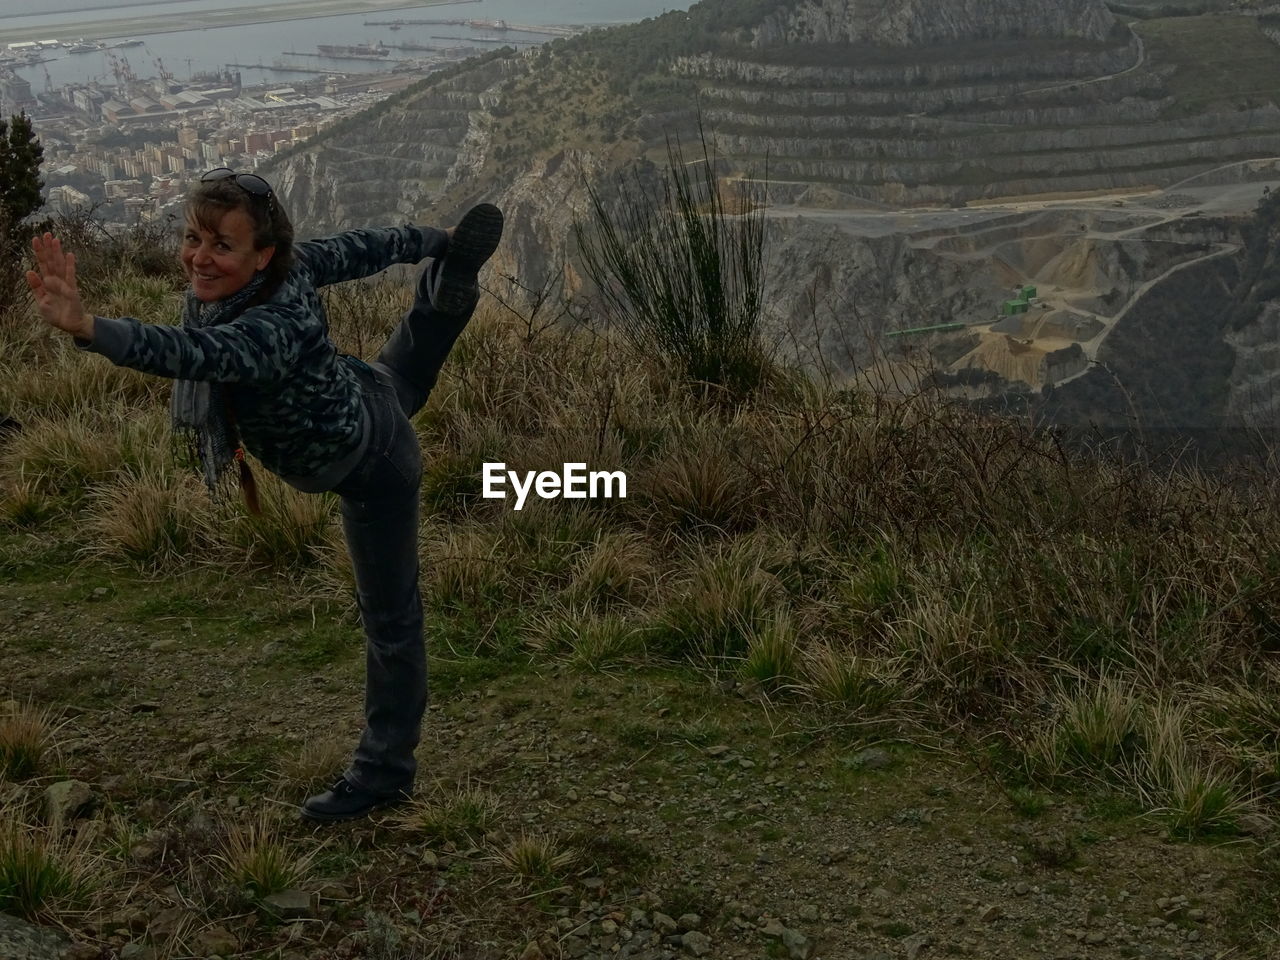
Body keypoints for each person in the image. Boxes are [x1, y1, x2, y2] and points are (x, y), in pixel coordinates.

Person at [25, 167, 504, 822]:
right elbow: (365, 247)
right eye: (194, 237)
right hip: (357, 392)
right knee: (398, 375)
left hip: (371, 465)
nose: (199, 256)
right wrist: (439, 237)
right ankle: (447, 284)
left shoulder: (264, 331)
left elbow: (188, 352)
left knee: (392, 621)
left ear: (264, 255)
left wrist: (90, 328)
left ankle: (385, 772)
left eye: (222, 245)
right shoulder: (292, 267)